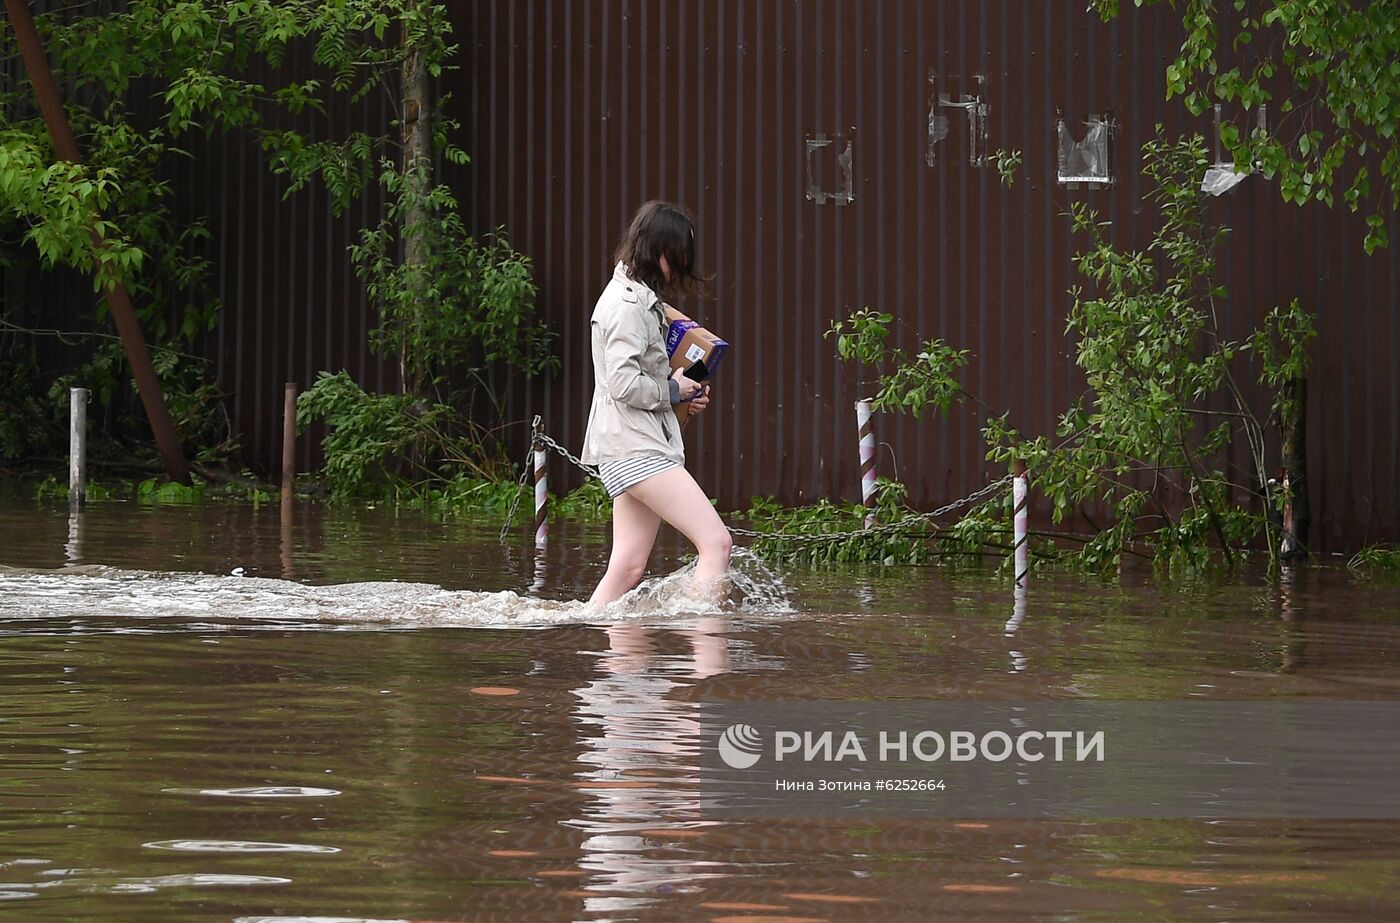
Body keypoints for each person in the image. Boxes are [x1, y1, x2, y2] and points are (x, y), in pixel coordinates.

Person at [581, 201, 733, 607]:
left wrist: (683, 395)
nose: (681, 268)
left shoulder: (639, 301)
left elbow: (640, 380)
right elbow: (624, 384)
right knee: (716, 544)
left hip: (629, 445)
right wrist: (673, 391)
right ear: (660, 251)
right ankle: (703, 658)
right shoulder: (628, 306)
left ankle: (595, 647)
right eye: (679, 257)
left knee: (627, 567)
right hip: (637, 450)